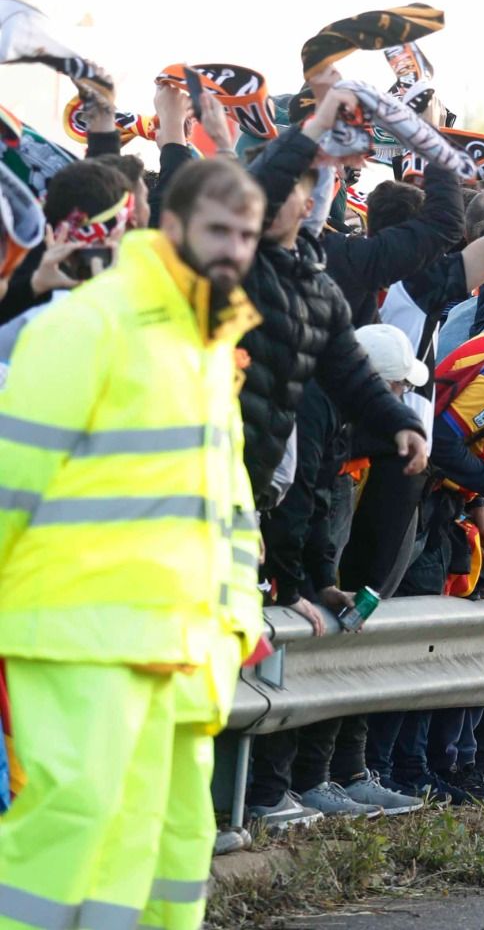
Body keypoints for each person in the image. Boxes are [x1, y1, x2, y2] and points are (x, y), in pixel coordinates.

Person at [0, 159, 268, 930]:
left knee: (158, 844)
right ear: (171, 226)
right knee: (70, 825)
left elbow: (230, 498)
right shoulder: (92, 321)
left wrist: (238, 614)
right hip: (74, 624)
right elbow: (14, 473)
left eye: (245, 235)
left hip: (172, 635)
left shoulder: (209, 341)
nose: (234, 250)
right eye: (219, 230)